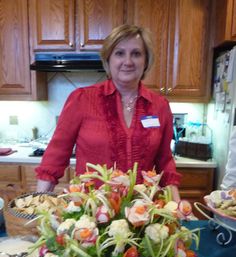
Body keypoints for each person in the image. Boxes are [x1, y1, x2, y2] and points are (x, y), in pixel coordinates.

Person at [36, 24, 181, 201]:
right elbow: (56, 155)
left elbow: (165, 161)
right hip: (90, 214)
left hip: (142, 215)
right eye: (119, 53)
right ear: (108, 59)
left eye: (136, 54)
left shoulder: (160, 106)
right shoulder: (81, 99)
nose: (128, 61)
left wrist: (176, 205)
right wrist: (39, 203)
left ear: (146, 61)